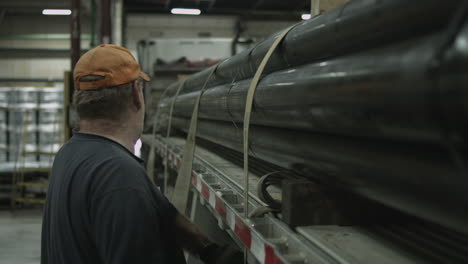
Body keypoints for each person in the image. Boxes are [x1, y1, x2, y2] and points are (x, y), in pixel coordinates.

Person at [41, 44, 242, 264]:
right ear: (137, 95)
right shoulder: (119, 175)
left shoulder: (70, 153)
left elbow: (163, 213)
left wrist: (208, 249)